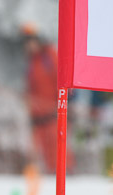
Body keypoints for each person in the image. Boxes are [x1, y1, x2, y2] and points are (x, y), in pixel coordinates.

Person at [22, 23, 74, 174]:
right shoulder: (32, 62)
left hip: (55, 112)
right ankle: (52, 176)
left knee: (59, 148)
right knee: (44, 152)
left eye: (31, 42)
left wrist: (64, 102)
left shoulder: (49, 56)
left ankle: (66, 176)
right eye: (26, 43)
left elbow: (62, 79)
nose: (29, 46)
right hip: (38, 116)